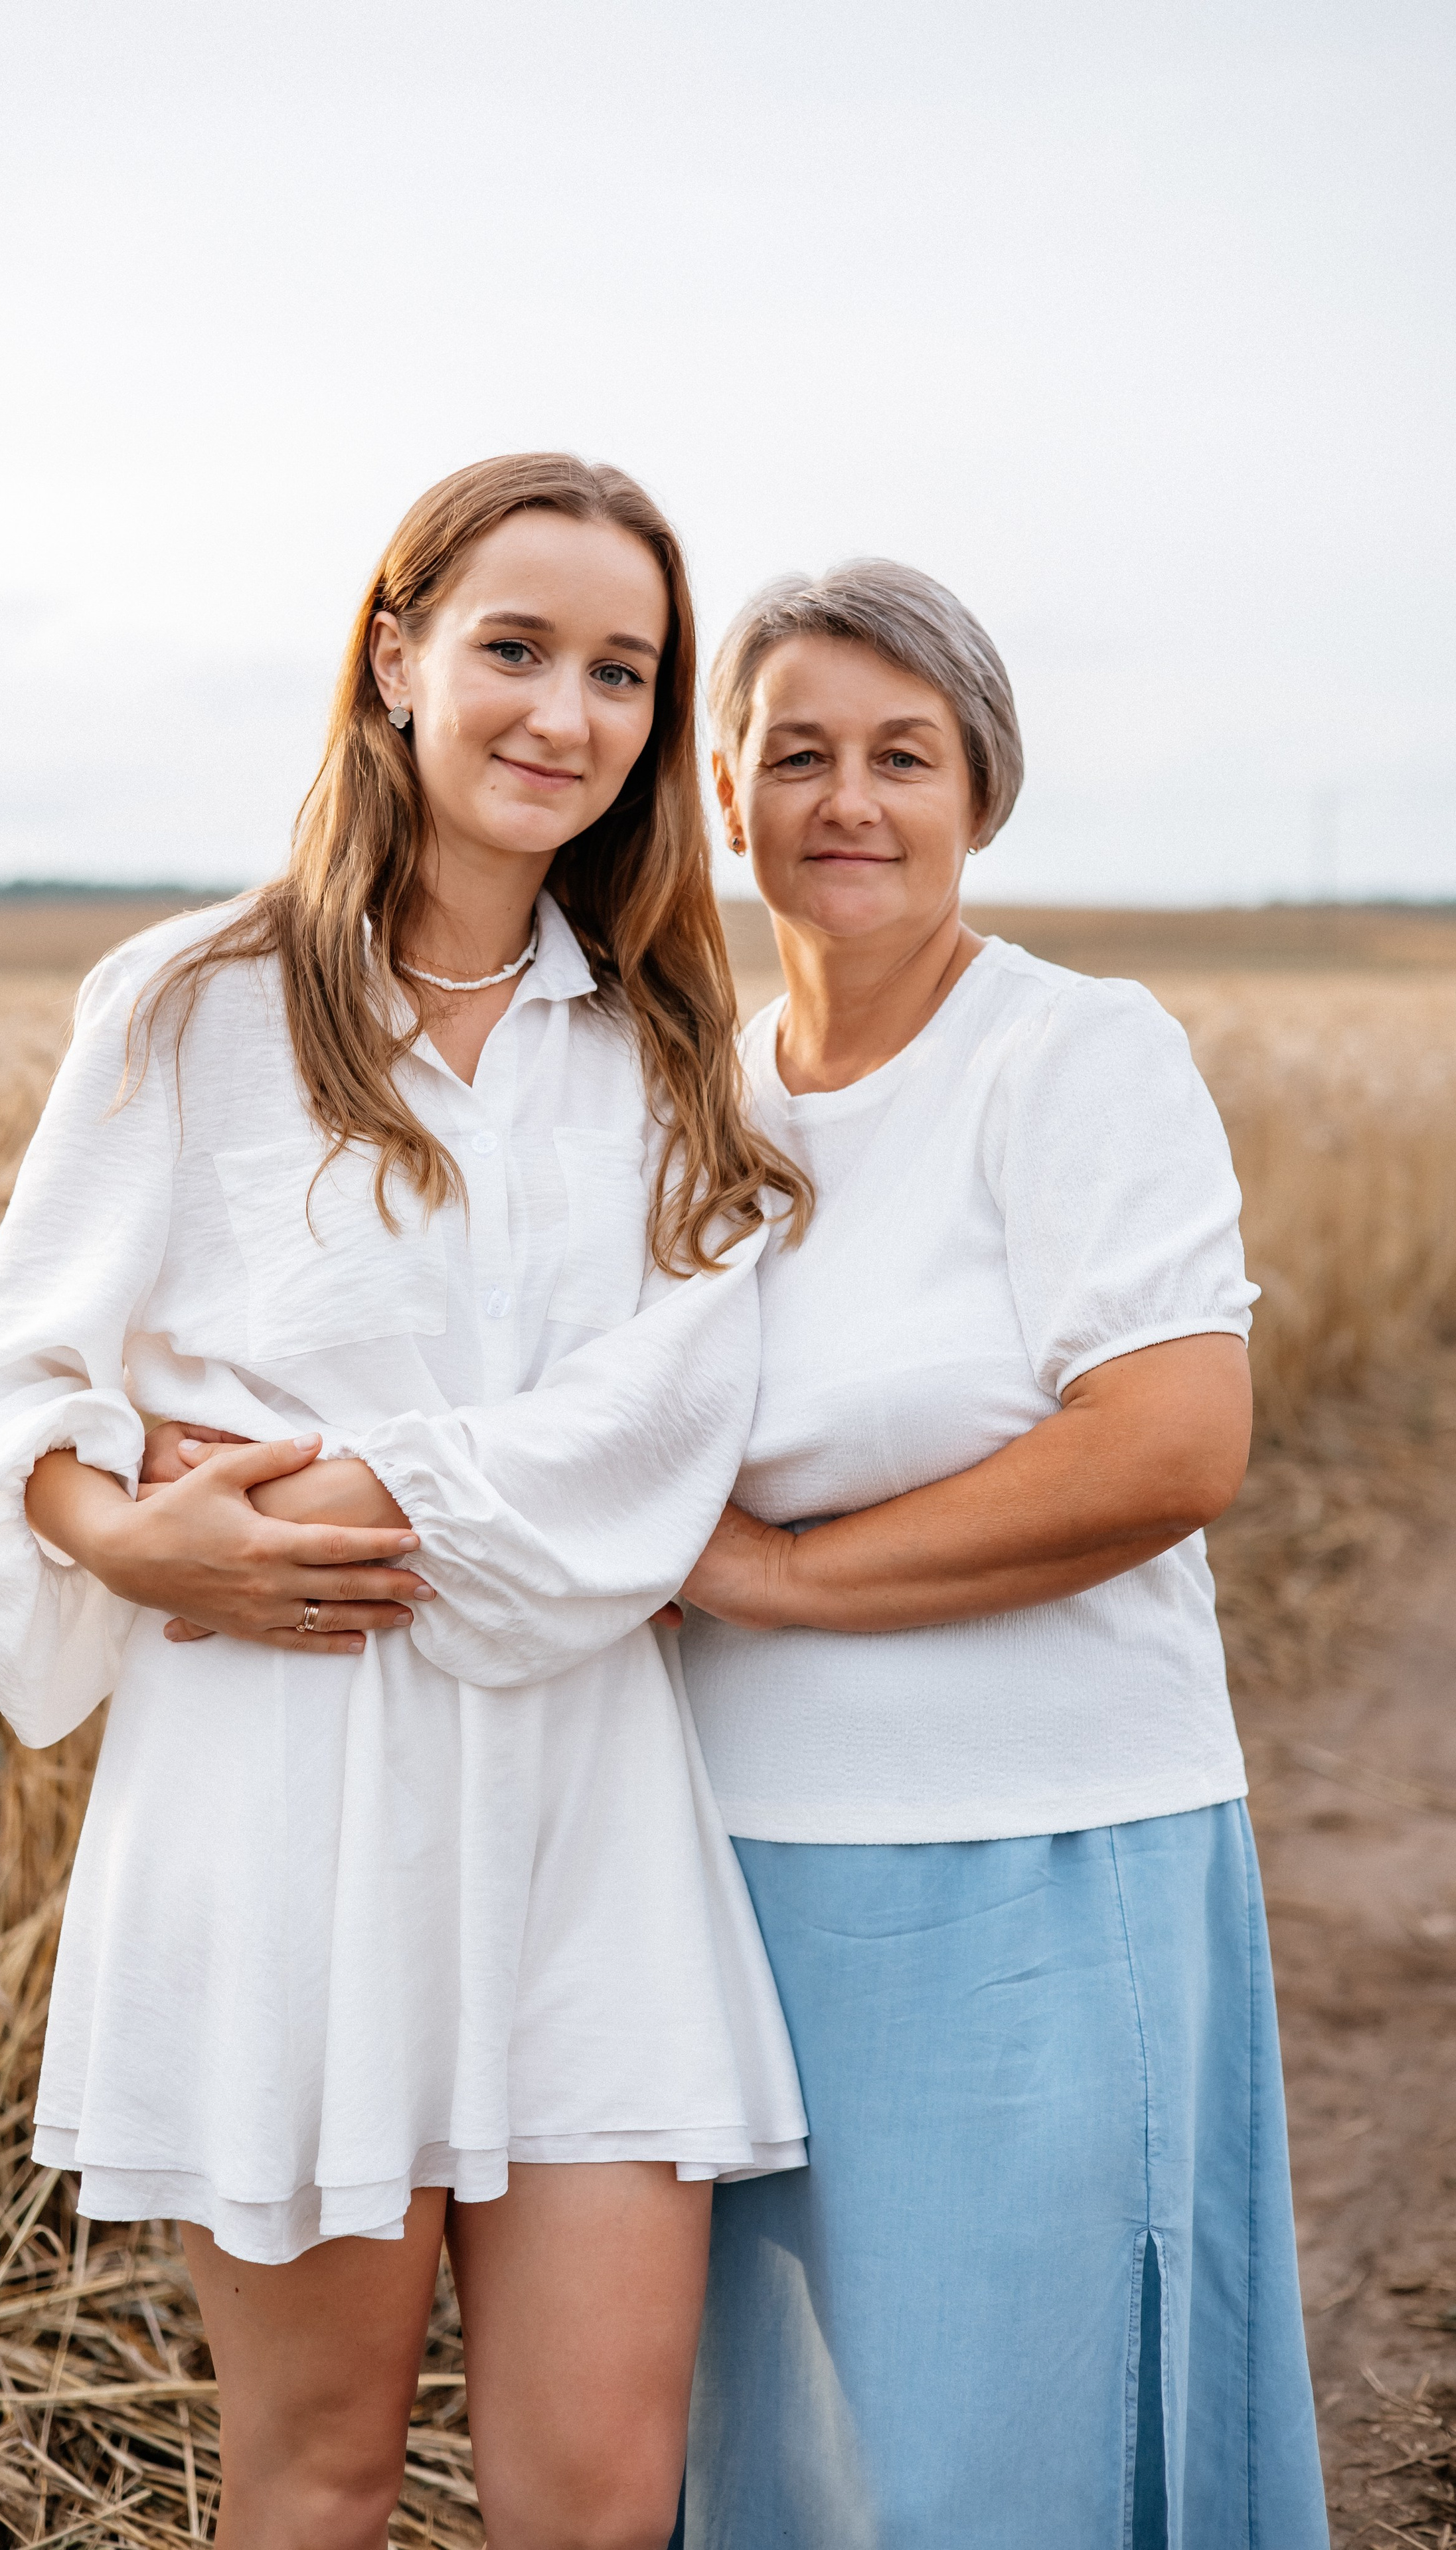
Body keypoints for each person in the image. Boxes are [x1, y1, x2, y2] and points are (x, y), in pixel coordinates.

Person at [0, 452, 810, 2550]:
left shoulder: (675, 1057)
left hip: (589, 1815)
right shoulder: (195, 1006)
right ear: (394, 658)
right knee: (310, 2479)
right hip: (289, 1796)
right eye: (512, 648)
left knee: (597, 2496)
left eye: (622, 673)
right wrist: (123, 1529)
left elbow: (660, 1440)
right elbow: (0, 1391)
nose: (563, 715)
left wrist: (328, 1479)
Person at [669, 562, 1328, 2549]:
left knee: (1015, 2458)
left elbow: (1168, 1443)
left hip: (1042, 1853)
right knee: (788, 2452)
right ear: (723, 799)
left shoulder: (1074, 1052)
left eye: (905, 756)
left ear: (984, 795)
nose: (848, 801)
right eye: (798, 755)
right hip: (729, 1871)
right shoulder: (694, 1087)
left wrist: (776, 1579)